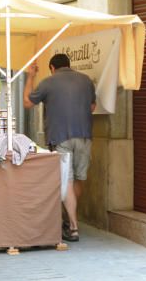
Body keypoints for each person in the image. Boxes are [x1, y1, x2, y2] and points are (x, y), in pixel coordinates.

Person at [24, 53, 96, 243]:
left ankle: (72, 227)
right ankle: (68, 216)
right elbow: (92, 107)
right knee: (78, 179)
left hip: (61, 136)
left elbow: (27, 102)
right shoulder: (86, 80)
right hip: (84, 136)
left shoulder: (49, 82)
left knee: (67, 181)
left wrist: (30, 76)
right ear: (69, 65)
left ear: (52, 68)